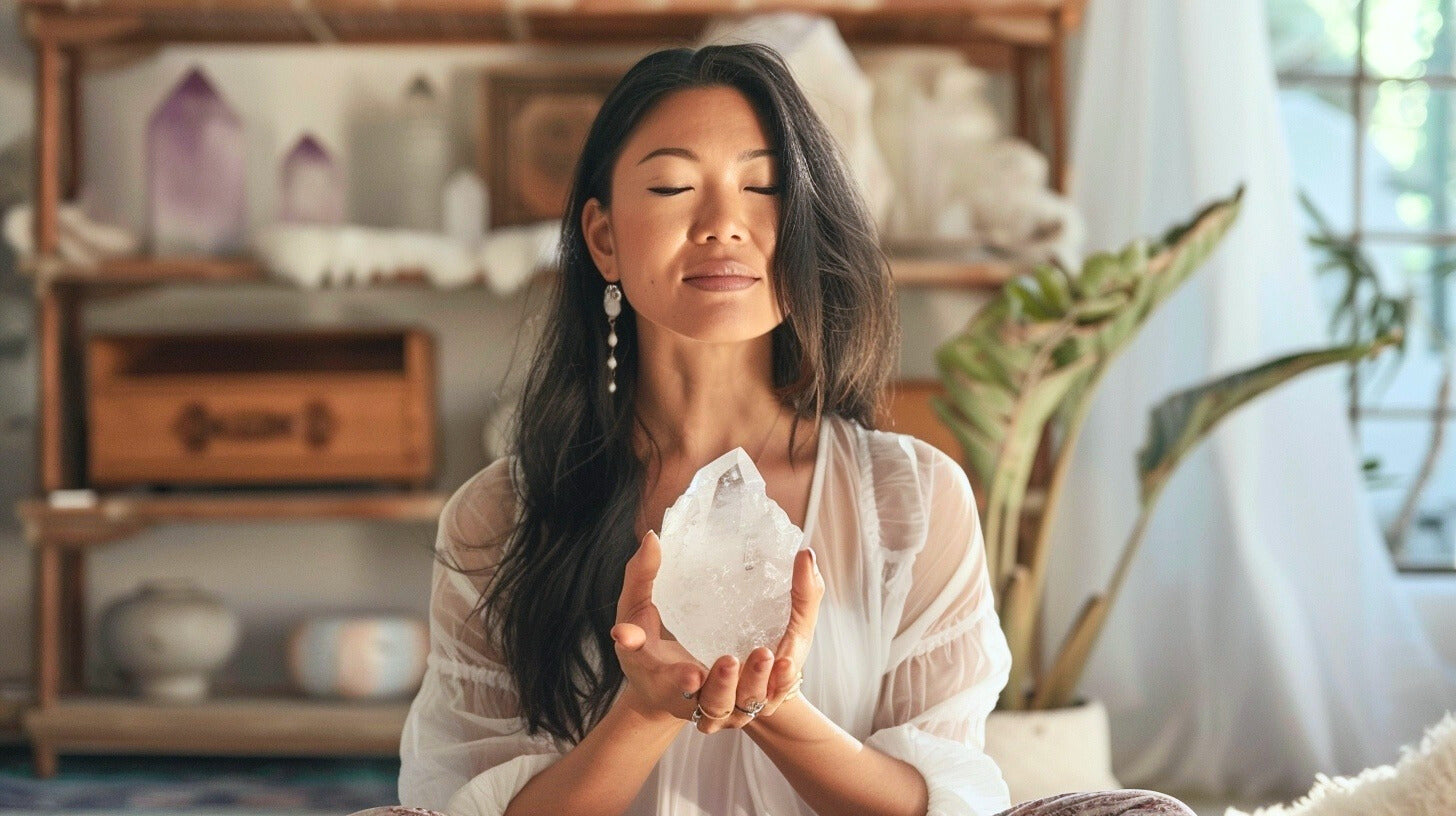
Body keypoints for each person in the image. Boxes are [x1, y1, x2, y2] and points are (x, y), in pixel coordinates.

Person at [387, 43, 1196, 816]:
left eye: (764, 189)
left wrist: (774, 706)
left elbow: (944, 803)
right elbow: (467, 811)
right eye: (672, 189)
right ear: (603, 238)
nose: (722, 224)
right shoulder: (500, 514)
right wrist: (643, 711)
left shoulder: (910, 501)